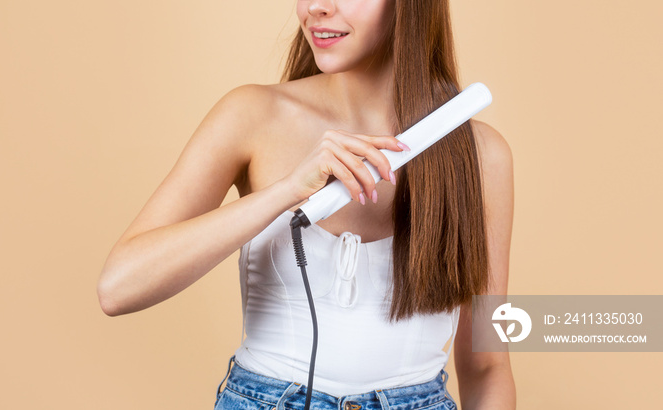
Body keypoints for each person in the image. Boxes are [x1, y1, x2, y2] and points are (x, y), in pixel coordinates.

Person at [98, 0, 516, 408]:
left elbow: (488, 366)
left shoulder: (480, 157)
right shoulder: (253, 115)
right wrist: (286, 190)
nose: (316, 6)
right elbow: (119, 288)